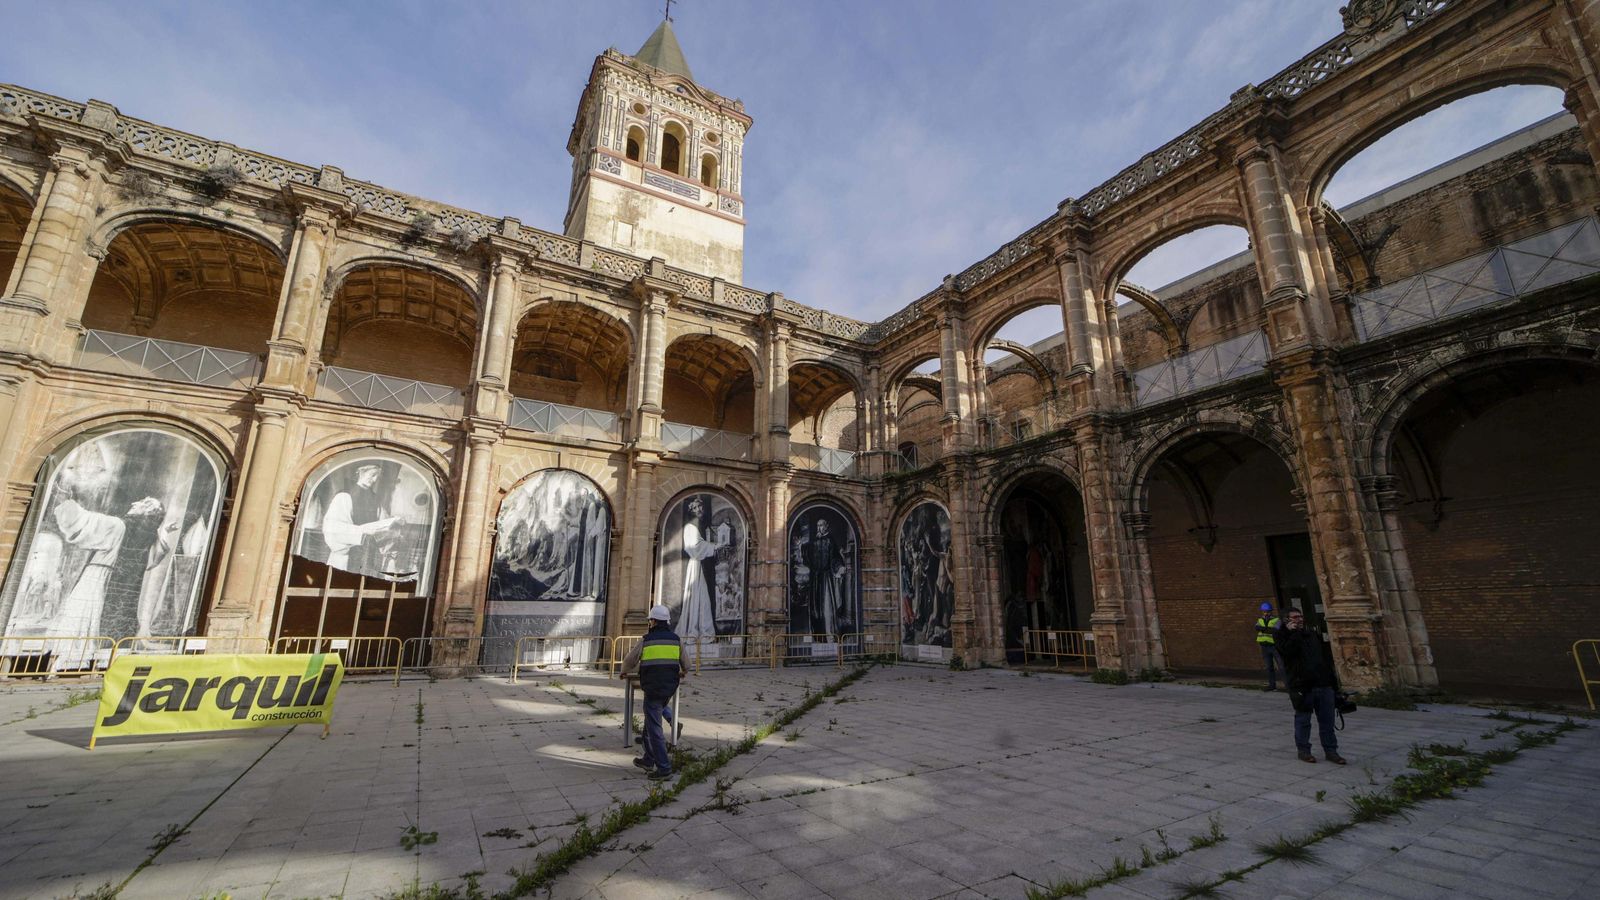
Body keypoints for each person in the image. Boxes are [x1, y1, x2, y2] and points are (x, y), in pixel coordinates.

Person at [620, 605, 688, 781]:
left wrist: (623, 671)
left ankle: (664, 768)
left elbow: (630, 660)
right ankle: (648, 759)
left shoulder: (646, 640)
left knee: (654, 729)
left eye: (650, 620)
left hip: (652, 688)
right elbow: (687, 665)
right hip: (669, 689)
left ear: (654, 621)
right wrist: (682, 670)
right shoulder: (676, 640)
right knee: (650, 724)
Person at [1275, 608, 1346, 765]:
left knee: (1327, 721)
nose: (1299, 620)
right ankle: (1304, 751)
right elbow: (1287, 653)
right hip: (1302, 686)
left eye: (1300, 616)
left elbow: (1324, 660)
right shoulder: (1281, 636)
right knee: (1303, 720)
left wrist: (1334, 686)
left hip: (1323, 684)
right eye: (1294, 617)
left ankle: (1331, 751)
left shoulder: (1312, 635)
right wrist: (1292, 633)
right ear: (1286, 620)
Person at [1254, 602, 1281, 692]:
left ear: (1271, 611)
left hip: (1274, 646)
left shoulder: (1276, 620)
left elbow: (1275, 630)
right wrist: (1268, 630)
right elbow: (1257, 628)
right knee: (1269, 667)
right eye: (1265, 611)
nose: (1266, 613)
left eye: (1268, 611)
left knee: (1282, 666)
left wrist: (1264, 629)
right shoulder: (1260, 620)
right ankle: (1272, 685)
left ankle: (1289, 686)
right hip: (1264, 646)